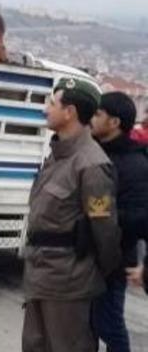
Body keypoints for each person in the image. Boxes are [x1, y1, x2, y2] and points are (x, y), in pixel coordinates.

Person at [22, 77, 121, 352]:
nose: (45, 109)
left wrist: (94, 272)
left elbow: (105, 231)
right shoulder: (57, 156)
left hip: (68, 283)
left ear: (70, 112)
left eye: (52, 103)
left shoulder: (91, 165)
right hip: (40, 275)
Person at [90, 92, 148, 352]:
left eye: (98, 114)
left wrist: (99, 214)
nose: (92, 119)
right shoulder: (93, 153)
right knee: (87, 324)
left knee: (109, 325)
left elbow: (138, 218)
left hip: (112, 262)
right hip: (84, 256)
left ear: (114, 122)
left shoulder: (134, 165)